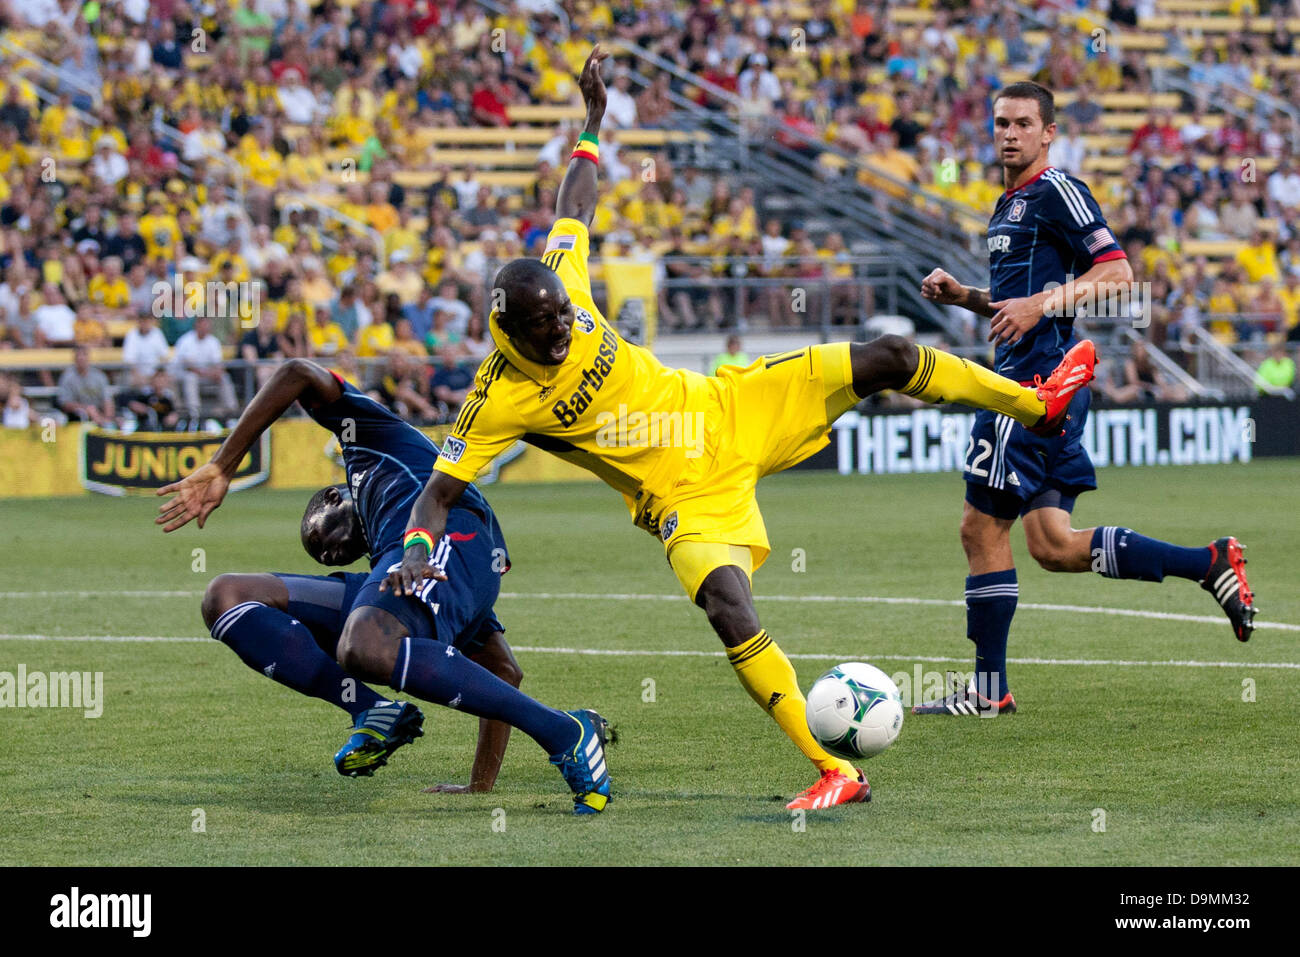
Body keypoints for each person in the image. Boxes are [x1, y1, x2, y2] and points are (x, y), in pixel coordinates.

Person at [384, 48, 1096, 811]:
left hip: (728, 405)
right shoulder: (495, 398)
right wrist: (420, 554)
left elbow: (578, 201)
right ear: (506, 330)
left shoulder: (565, 279)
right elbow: (436, 491)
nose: (562, 332)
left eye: (565, 315)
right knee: (728, 607)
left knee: (887, 354)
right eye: (544, 330)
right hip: (682, 493)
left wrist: (593, 117)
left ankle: (1037, 403)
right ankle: (837, 769)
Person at [918, 81, 1255, 718]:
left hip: (1034, 388)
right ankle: (1209, 562)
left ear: (1049, 133)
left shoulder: (1057, 190)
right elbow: (1018, 303)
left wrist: (1042, 304)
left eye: (1022, 123)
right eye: (1000, 123)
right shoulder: (1007, 204)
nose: (1009, 133)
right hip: (1042, 384)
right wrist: (966, 296)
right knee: (1052, 543)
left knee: (979, 528)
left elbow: (1117, 276)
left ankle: (988, 693)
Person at [155, 358, 612, 814]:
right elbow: (502, 671)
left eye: (326, 540)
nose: (333, 555)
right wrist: (479, 785)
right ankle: (371, 710)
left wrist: (222, 464)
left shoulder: (370, 443)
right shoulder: (385, 568)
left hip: (450, 533)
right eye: (329, 558)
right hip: (404, 564)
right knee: (227, 596)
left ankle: (563, 732)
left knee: (366, 642)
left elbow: (296, 372)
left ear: (333, 497)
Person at [170, 315, 239, 425]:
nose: (206, 327)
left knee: (224, 377)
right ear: (197, 325)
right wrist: (208, 373)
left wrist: (216, 372)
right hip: (184, 376)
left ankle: (231, 410)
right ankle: (194, 411)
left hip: (206, 375)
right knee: (190, 378)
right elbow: (189, 366)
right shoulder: (186, 340)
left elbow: (218, 365)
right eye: (203, 324)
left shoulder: (213, 341)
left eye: (207, 325)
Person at [56, 345, 115, 426]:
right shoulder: (67, 377)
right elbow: (65, 404)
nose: (81, 358)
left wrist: (108, 418)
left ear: (88, 357)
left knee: (119, 420)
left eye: (84, 355)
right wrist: (87, 409)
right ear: (74, 359)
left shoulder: (99, 376)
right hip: (77, 415)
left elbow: (107, 400)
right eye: (78, 356)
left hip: (99, 412)